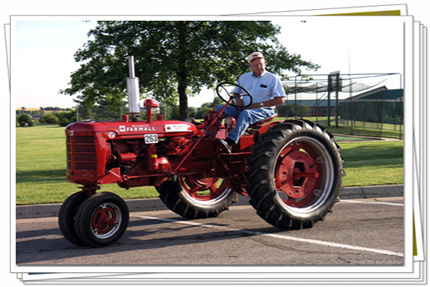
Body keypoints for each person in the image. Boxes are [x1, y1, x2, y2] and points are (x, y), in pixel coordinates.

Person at [216, 52, 286, 153]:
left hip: (264, 110)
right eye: (256, 65)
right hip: (245, 108)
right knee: (218, 109)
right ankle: (209, 136)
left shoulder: (272, 79)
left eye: (261, 64)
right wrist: (238, 100)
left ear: (265, 63)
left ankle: (230, 142)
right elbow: (236, 93)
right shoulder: (244, 78)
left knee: (246, 114)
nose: (259, 67)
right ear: (250, 66)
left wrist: (259, 105)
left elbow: (280, 100)